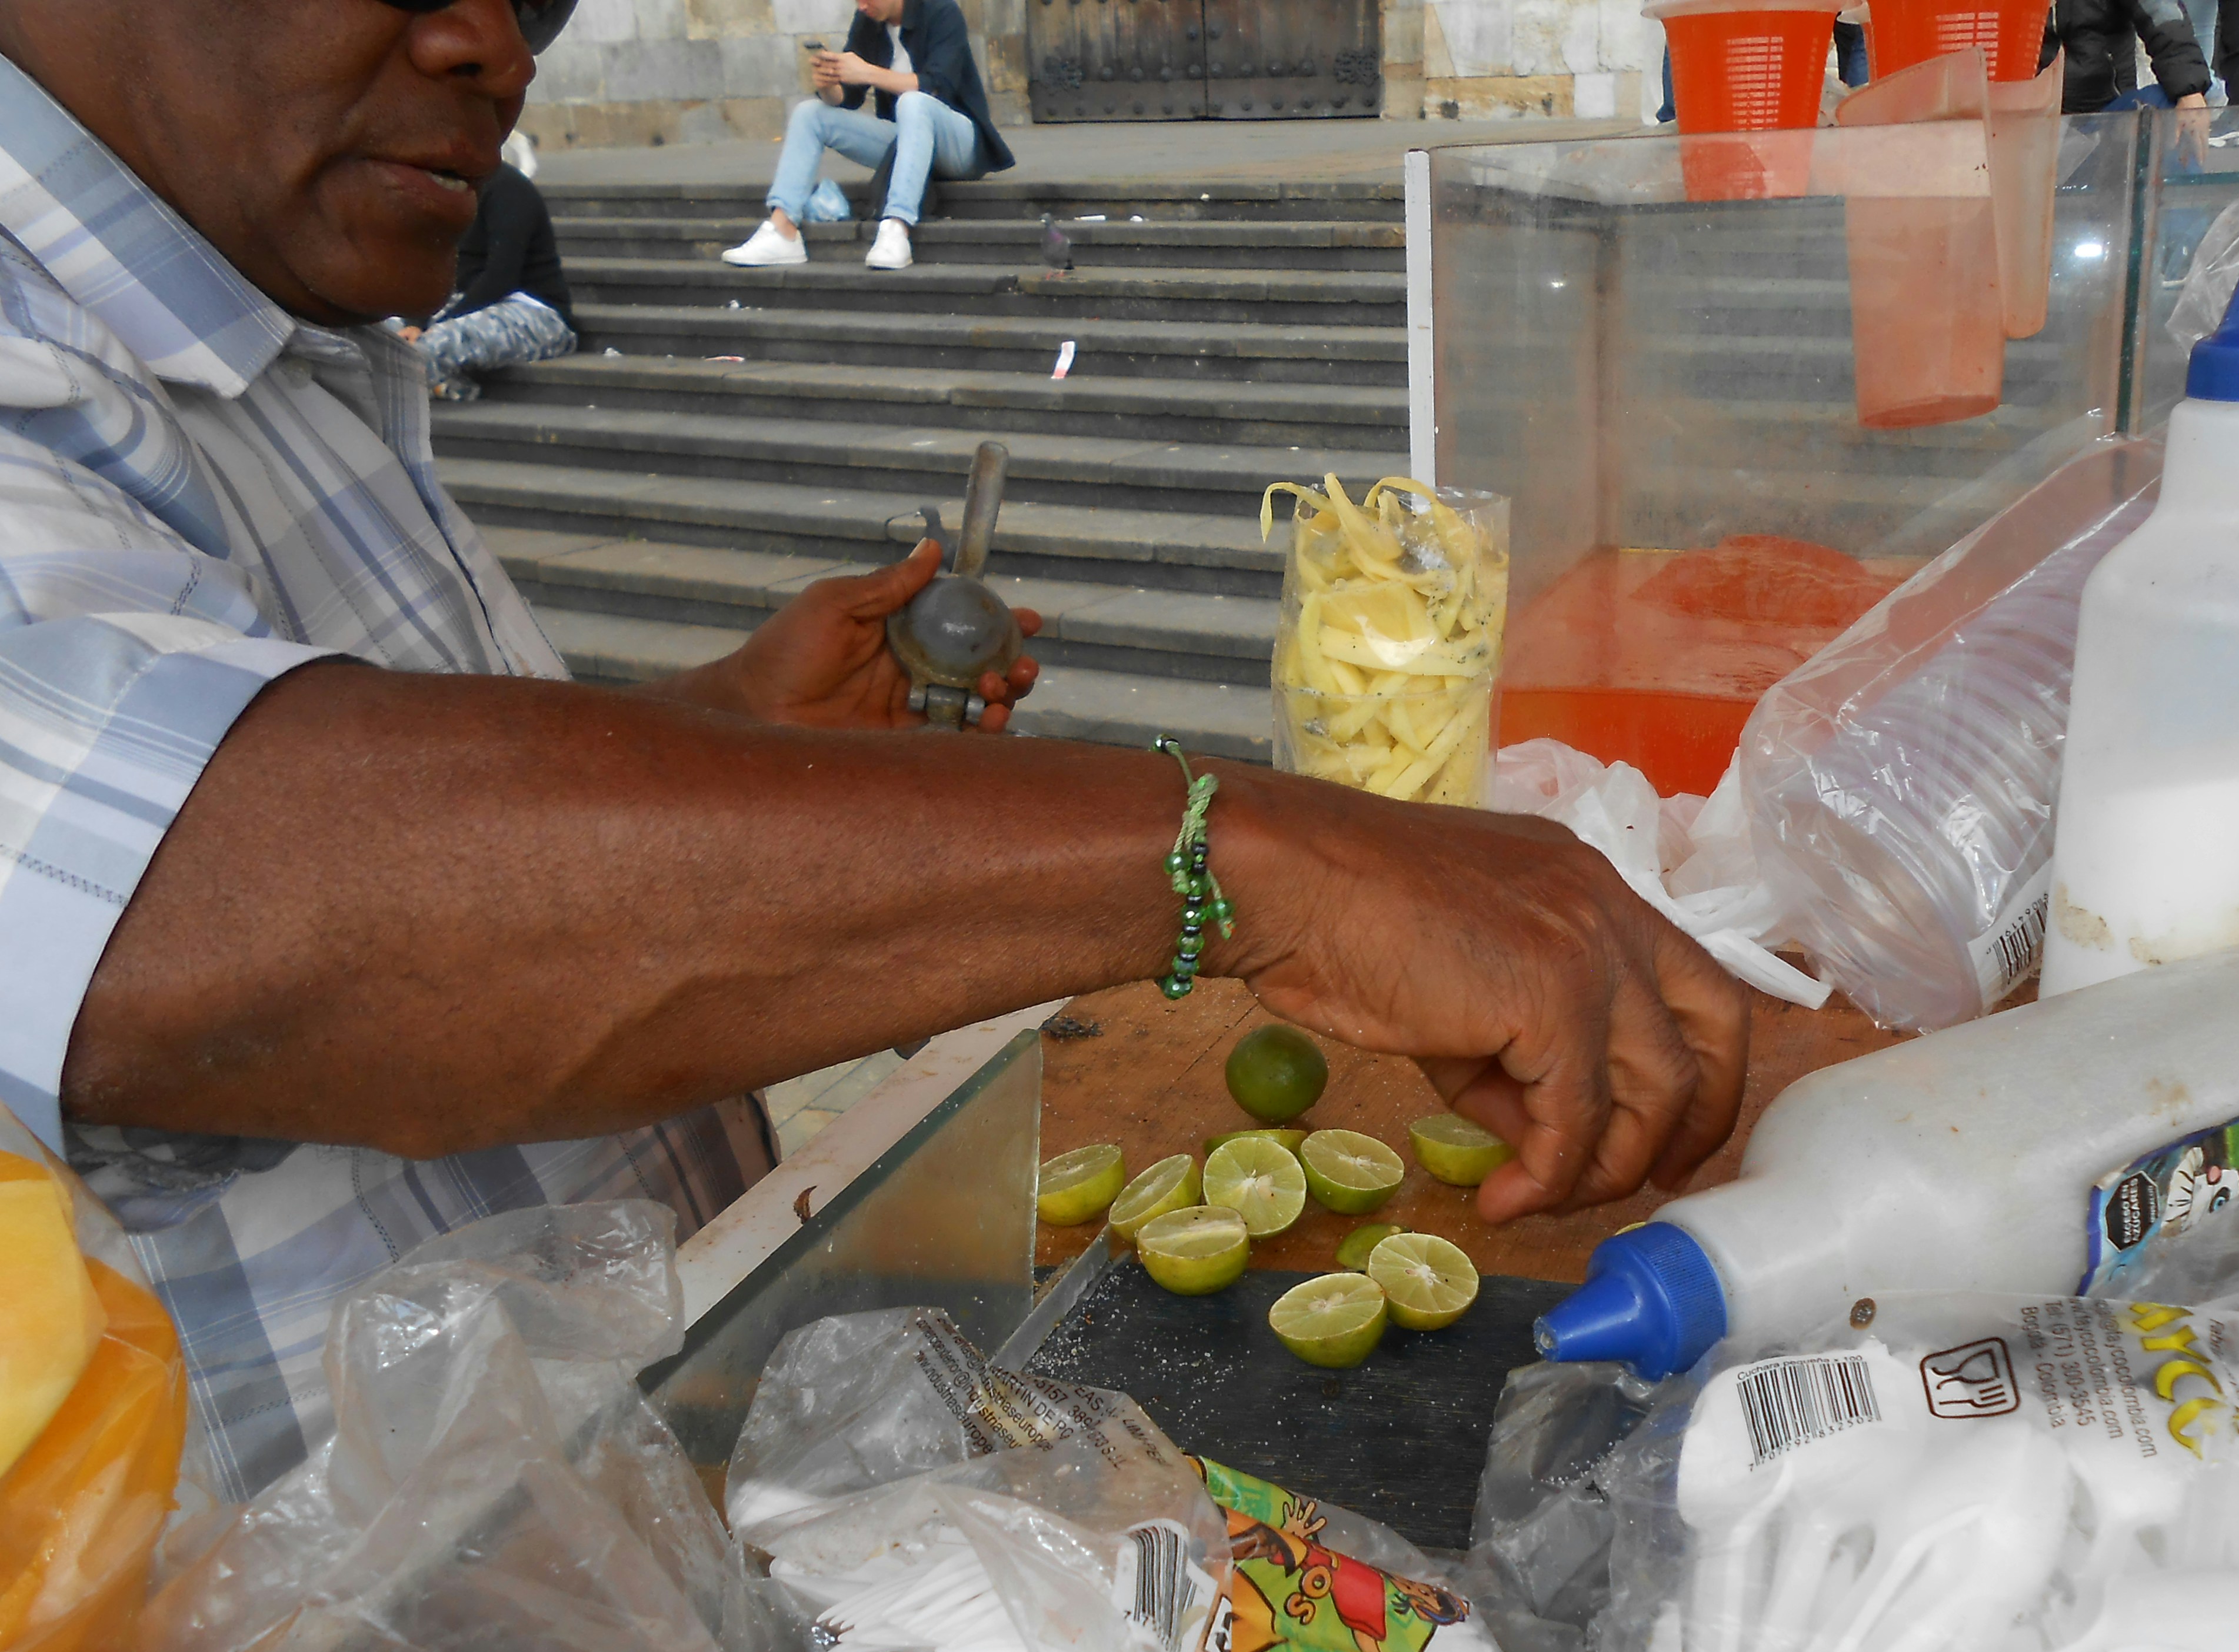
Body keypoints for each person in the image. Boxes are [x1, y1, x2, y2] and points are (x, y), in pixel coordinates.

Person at [0, 0, 1749, 1499]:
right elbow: (242, 895)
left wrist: (713, 739)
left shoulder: (262, 319)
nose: (487, 44)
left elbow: (333, 757)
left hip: (648, 1516)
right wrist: (1250, 852)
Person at [724, 0, 1013, 273]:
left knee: (913, 102)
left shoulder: (941, 10)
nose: (862, 6)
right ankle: (782, 230)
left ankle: (896, 226)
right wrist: (829, 85)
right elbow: (848, 98)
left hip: (960, 145)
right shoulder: (869, 19)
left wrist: (868, 72)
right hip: (905, 145)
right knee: (809, 113)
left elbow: (937, 87)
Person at [398, 153, 574, 401]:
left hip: (534, 312)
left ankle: (455, 395)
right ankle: (439, 387)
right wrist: (414, 323)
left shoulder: (509, 188)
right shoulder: (440, 192)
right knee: (379, 336)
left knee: (428, 348)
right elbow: (425, 264)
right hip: (465, 302)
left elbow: (501, 277)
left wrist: (435, 326)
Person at [2041, 0, 2211, 113]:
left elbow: (2161, 14)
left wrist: (2189, 91)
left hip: (2103, 115)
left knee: (2166, 108)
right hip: (2026, 116)